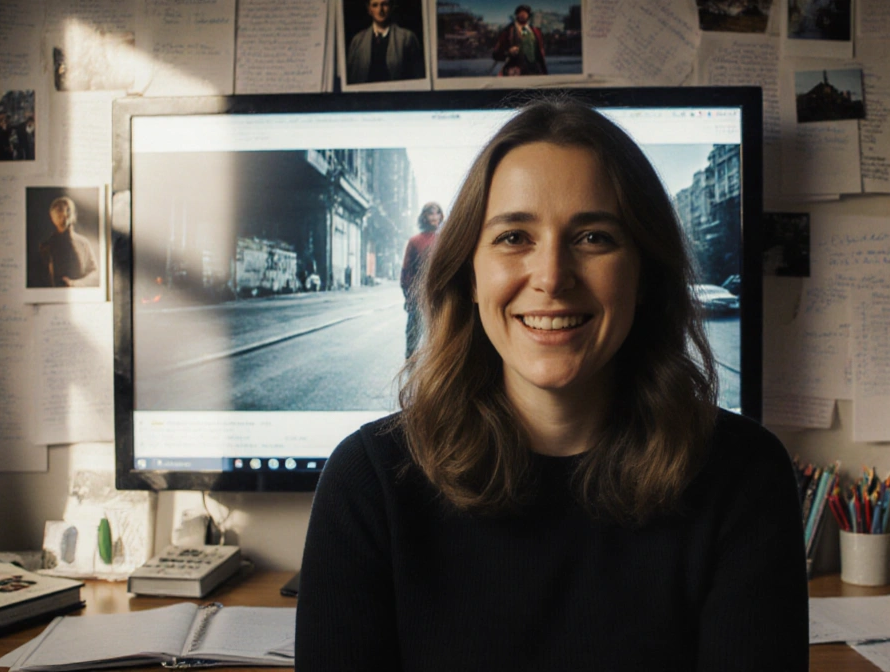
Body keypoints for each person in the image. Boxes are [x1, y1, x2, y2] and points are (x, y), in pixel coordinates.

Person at [296, 98, 808, 670]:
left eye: (593, 237)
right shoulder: (367, 484)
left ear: (644, 275)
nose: (551, 278)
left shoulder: (745, 477)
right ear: (469, 272)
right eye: (514, 237)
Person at [346, 0, 425, 84]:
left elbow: (417, 76)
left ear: (391, 7)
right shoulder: (357, 41)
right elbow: (352, 77)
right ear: (369, 9)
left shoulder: (407, 38)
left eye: (385, 4)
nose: (380, 10)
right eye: (375, 5)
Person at [400, 201, 442, 358]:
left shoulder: (444, 240)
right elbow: (406, 272)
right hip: (417, 298)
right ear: (424, 216)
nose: (434, 217)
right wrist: (409, 297)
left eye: (437, 213)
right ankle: (410, 371)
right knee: (413, 339)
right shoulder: (415, 241)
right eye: (430, 213)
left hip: (438, 297)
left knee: (437, 341)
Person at [38, 196, 98, 287]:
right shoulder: (46, 246)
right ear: (52, 217)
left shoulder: (83, 243)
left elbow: (94, 273)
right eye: (59, 211)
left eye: (68, 210)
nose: (64, 215)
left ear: (74, 215)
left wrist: (76, 284)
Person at [492, 5, 547, 76]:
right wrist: (509, 51)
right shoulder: (508, 31)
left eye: (525, 13)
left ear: (528, 15)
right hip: (516, 69)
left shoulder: (533, 31)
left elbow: (537, 49)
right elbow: (496, 54)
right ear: (517, 15)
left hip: (534, 69)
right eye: (520, 13)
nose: (523, 15)